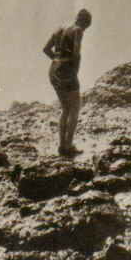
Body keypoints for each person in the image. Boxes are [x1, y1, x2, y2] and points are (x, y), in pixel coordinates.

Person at [43, 8, 92, 157]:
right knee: (75, 108)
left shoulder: (60, 29)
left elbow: (46, 49)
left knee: (65, 109)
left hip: (53, 71)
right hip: (67, 71)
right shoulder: (78, 31)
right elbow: (76, 53)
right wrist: (72, 69)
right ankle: (69, 146)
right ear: (86, 23)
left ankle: (61, 146)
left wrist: (58, 60)